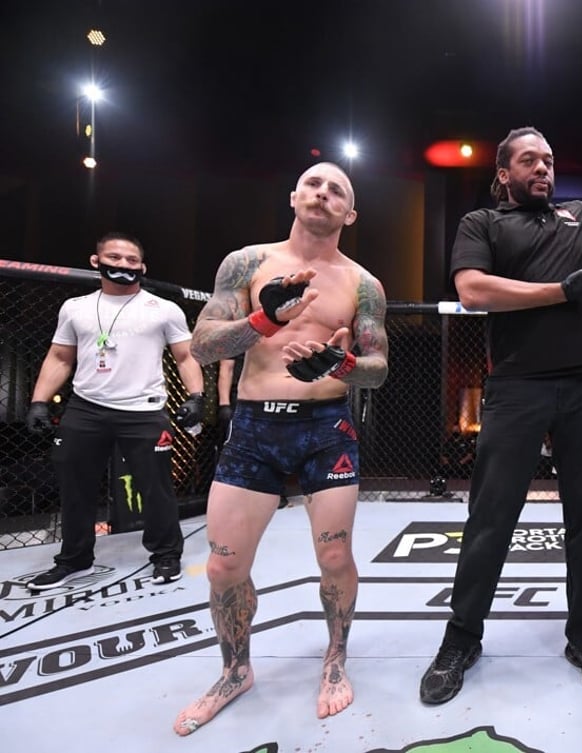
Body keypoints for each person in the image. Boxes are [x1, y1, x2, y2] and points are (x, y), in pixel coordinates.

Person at [418, 126, 582, 705]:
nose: (543, 168)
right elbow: (473, 290)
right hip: (517, 385)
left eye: (549, 159)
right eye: (530, 160)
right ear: (503, 173)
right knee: (491, 516)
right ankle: (461, 638)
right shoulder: (483, 224)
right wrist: (563, 290)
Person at [173, 162, 389, 735]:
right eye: (313, 183)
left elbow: (377, 368)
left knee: (336, 558)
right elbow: (204, 342)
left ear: (351, 213)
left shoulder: (364, 284)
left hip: (326, 428)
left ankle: (335, 658)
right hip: (254, 427)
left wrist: (340, 363)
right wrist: (264, 320)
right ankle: (234, 669)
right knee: (223, 566)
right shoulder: (246, 263)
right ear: (293, 195)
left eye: (337, 189)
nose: (323, 193)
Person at [24, 232, 205, 590]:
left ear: (143, 267)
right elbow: (60, 357)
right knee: (75, 487)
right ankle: (75, 560)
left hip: (143, 410)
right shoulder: (75, 308)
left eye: (132, 261)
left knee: (156, 488)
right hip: (86, 409)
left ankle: (166, 555)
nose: (124, 265)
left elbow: (186, 356)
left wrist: (196, 396)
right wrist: (39, 400)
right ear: (97, 261)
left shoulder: (163, 309)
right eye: (116, 258)